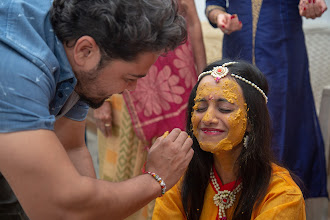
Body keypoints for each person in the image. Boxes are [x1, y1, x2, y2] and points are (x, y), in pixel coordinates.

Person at [0, 0, 195, 219]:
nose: (132, 89)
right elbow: (62, 208)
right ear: (86, 51)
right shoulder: (16, 70)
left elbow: (71, 146)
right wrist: (156, 179)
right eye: (129, 78)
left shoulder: (78, 51)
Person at [93, 0, 206, 218]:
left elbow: (192, 20)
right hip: (121, 91)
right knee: (120, 167)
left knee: (178, 160)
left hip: (179, 84)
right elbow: (97, 28)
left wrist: (203, 79)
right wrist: (100, 101)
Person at [204, 0, 328, 199]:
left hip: (283, 51)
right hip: (238, 47)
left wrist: (312, 5)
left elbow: (312, 3)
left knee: (280, 120)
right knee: (235, 117)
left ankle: (282, 198)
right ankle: (235, 198)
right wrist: (220, 18)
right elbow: (213, 5)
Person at [152, 60, 306, 220]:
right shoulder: (178, 181)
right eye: (200, 108)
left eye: (224, 109)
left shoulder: (282, 194)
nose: (207, 118)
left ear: (251, 122)